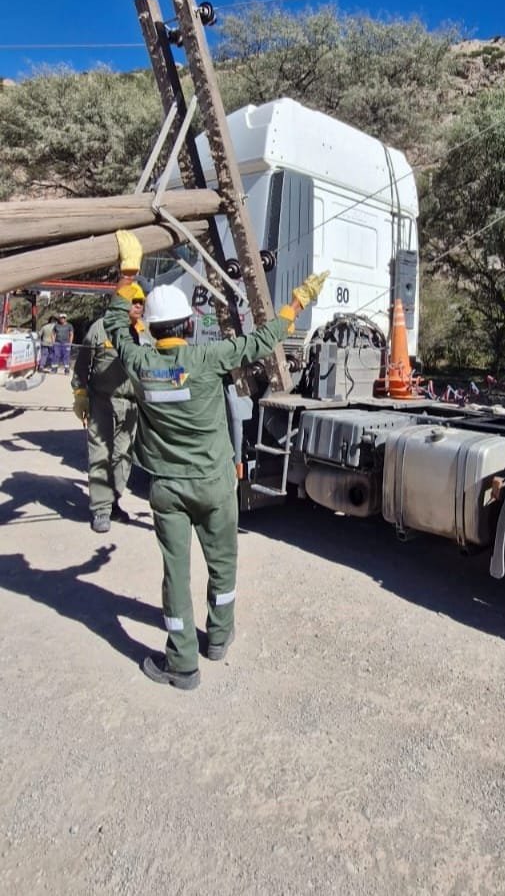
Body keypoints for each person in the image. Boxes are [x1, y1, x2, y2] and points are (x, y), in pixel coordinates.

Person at [104, 229, 328, 691]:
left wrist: (129, 276)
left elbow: (114, 327)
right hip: (214, 482)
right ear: (188, 325)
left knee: (175, 574)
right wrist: (298, 302)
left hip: (167, 488)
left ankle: (182, 664)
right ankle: (219, 637)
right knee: (222, 563)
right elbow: (263, 341)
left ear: (152, 328)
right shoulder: (208, 358)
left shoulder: (140, 361)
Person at [71, 297, 149, 533]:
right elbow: (83, 364)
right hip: (102, 401)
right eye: (133, 301)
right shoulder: (100, 328)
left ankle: (114, 501)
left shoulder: (145, 332)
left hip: (132, 405)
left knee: (123, 457)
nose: (138, 306)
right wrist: (81, 395)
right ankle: (101, 510)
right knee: (101, 455)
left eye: (141, 302)